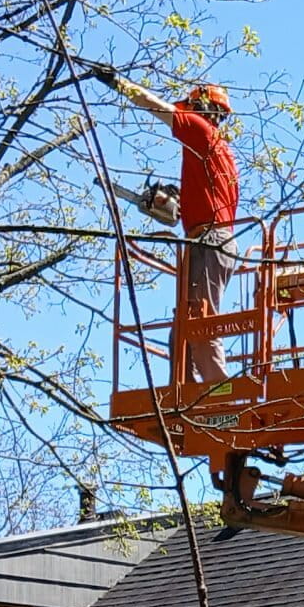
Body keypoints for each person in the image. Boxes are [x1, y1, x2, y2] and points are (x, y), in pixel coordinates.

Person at [98, 72, 238, 384]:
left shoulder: (201, 131)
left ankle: (221, 394)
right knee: (182, 331)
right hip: (207, 238)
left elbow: (155, 106)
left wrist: (118, 83)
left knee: (199, 322)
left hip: (210, 240)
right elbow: (202, 205)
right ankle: (183, 394)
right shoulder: (220, 154)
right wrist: (172, 203)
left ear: (201, 109)